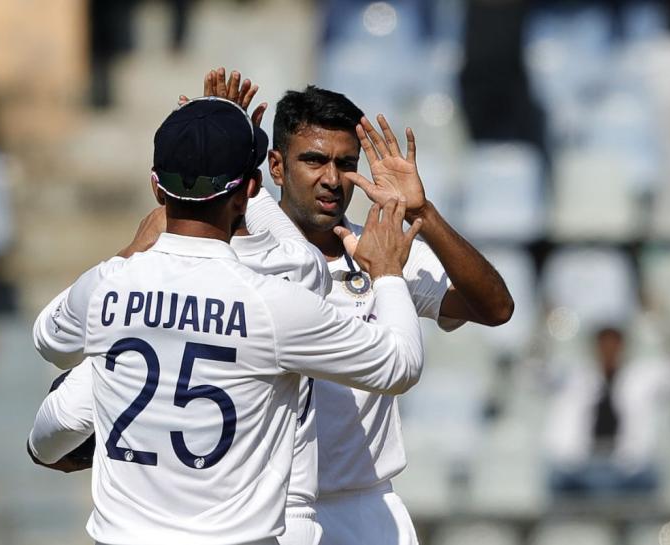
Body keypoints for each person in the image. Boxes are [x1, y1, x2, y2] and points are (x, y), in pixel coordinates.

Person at [32, 94, 428, 545]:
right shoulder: (273, 303)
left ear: (157, 188)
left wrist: (132, 250)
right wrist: (390, 273)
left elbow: (49, 341)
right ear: (249, 190)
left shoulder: (106, 284)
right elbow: (399, 364)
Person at [243, 83, 513, 545]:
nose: (332, 178)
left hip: (368, 510)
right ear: (276, 167)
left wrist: (422, 211)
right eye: (313, 160)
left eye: (346, 165)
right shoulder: (240, 254)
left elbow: (496, 308)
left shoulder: (385, 250)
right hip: (272, 508)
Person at [545, 326, 670, 497]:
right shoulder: (573, 375)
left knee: (653, 475)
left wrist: (661, 319)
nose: (609, 349)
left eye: (614, 344)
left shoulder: (643, 376)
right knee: (555, 476)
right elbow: (535, 370)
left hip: (629, 470)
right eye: (603, 344)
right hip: (579, 468)